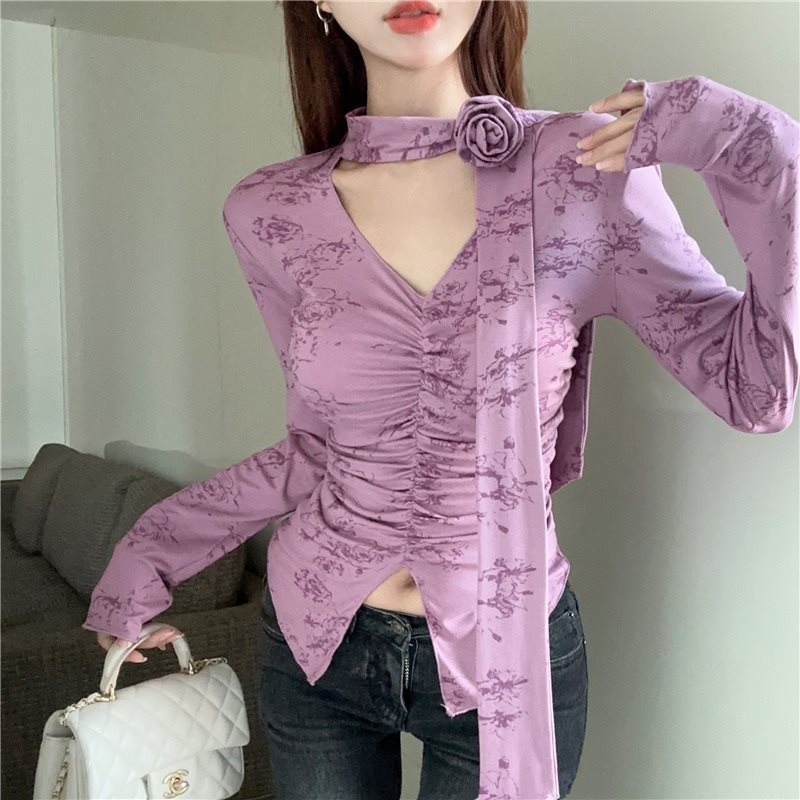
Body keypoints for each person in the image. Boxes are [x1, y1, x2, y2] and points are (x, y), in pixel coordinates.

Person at [84, 2, 799, 799]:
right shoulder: (270, 213)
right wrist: (149, 554)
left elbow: (757, 388)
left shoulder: (583, 174)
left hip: (505, 658)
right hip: (317, 635)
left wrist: (746, 138)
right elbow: (314, 450)